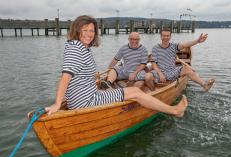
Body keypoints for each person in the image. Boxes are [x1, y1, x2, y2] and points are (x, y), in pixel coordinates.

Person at [45, 15, 188, 117]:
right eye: (85, 30)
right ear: (77, 30)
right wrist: (58, 104)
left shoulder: (81, 47)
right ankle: (174, 111)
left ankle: (108, 87)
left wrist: (92, 80)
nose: (89, 34)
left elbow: (76, 75)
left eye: (92, 30)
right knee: (135, 92)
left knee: (131, 88)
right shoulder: (76, 47)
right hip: (87, 101)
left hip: (84, 97)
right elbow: (66, 75)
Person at [145, 28, 215, 91]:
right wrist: (160, 74)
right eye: (164, 36)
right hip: (159, 72)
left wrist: (197, 41)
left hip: (172, 71)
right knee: (147, 77)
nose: (166, 37)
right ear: (160, 36)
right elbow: (153, 63)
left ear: (170, 37)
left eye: (167, 36)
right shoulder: (155, 48)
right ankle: (154, 92)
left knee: (187, 68)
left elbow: (185, 45)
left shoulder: (174, 46)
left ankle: (204, 85)